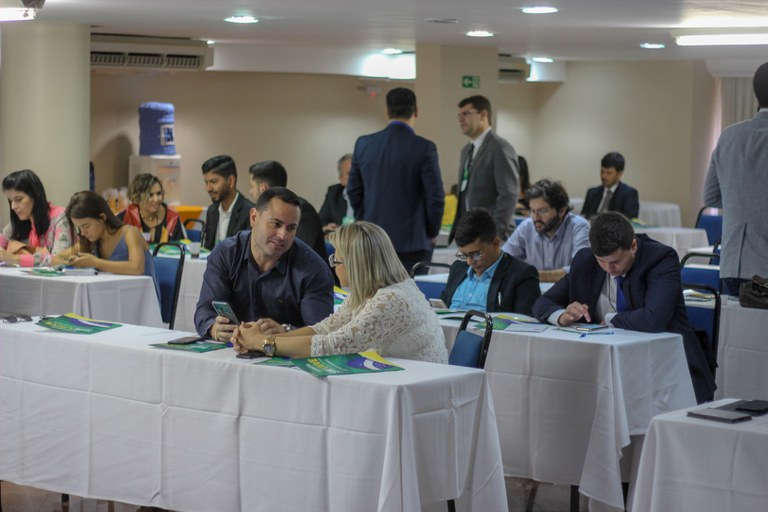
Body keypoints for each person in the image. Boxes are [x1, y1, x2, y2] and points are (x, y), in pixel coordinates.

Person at [532, 212, 716, 403]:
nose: (608, 268)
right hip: (607, 368)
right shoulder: (585, 261)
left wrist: (610, 319)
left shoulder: (660, 259)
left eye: (616, 261)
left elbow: (653, 319)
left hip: (667, 369)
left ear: (633, 246)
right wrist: (562, 315)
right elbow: (542, 303)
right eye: (601, 261)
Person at [231, 221, 448, 363]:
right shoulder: (370, 293)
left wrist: (261, 343)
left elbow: (332, 344)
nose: (333, 265)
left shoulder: (392, 300)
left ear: (357, 264)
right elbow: (325, 328)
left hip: (418, 393)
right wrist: (268, 337)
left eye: (337, 258)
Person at [194, 187, 334, 343]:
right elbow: (205, 310)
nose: (282, 235)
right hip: (231, 352)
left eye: (291, 228)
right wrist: (214, 327)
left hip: (287, 360)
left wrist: (285, 332)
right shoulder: (226, 254)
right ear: (254, 217)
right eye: (275, 224)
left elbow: (321, 333)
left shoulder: (313, 269)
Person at [347, 87, 444, 274]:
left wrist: (366, 221)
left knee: (374, 298)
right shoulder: (424, 148)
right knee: (411, 300)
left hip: (373, 240)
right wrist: (432, 231)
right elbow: (435, 197)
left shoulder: (364, 145)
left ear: (387, 111)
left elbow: (354, 191)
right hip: (413, 243)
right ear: (416, 111)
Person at [703, 61, 768, 296]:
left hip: (735, 261)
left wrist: (742, 201)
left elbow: (710, 196)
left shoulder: (730, 136)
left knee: (738, 332)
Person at [442, 208, 540, 314]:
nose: (469, 262)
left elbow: (525, 324)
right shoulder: (458, 268)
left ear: (495, 244)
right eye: (464, 255)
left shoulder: (521, 275)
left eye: (475, 254)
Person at [452, 95, 519, 241]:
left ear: (483, 115)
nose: (461, 119)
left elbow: (508, 195)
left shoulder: (500, 148)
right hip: (472, 234)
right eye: (459, 115)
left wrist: (494, 235)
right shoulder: (466, 151)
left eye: (466, 114)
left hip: (492, 237)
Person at [53, 191, 158, 282]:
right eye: (79, 228)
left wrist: (95, 262)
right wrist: (75, 263)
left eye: (86, 226)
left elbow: (137, 268)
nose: (83, 233)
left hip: (142, 298)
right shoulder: (91, 241)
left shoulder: (130, 233)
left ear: (102, 217)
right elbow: (55, 259)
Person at [502, 179, 590, 282]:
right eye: (532, 211)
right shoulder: (527, 227)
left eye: (543, 211)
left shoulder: (579, 227)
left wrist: (533, 275)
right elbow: (503, 261)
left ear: (562, 210)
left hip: (567, 295)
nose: (536, 218)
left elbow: (581, 270)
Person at [248, 160, 326, 259]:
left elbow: (300, 255)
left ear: (263, 188)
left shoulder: (303, 211)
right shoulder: (259, 214)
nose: (250, 192)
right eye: (276, 224)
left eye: (251, 186)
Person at [0, 169, 73, 267]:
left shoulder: (60, 217)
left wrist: (14, 258)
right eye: (10, 201)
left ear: (35, 195)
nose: (13, 206)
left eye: (19, 199)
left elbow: (59, 260)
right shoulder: (18, 221)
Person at [201, 155, 255, 250]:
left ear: (230, 181)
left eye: (213, 182)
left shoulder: (249, 212)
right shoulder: (212, 211)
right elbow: (208, 249)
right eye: (206, 182)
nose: (208, 188)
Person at [118, 173, 183, 244]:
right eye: (150, 195)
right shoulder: (128, 215)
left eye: (159, 193)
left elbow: (179, 247)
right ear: (137, 198)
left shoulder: (172, 217)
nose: (156, 199)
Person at [580, 152, 639, 220]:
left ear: (620, 174)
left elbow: (628, 223)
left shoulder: (629, 194)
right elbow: (583, 217)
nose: (603, 176)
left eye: (609, 173)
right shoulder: (591, 193)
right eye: (602, 171)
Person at [318, 153, 353, 232]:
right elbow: (320, 222)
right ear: (341, 179)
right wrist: (326, 227)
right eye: (350, 173)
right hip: (338, 241)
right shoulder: (333, 193)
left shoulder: (371, 195)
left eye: (358, 172)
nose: (356, 176)